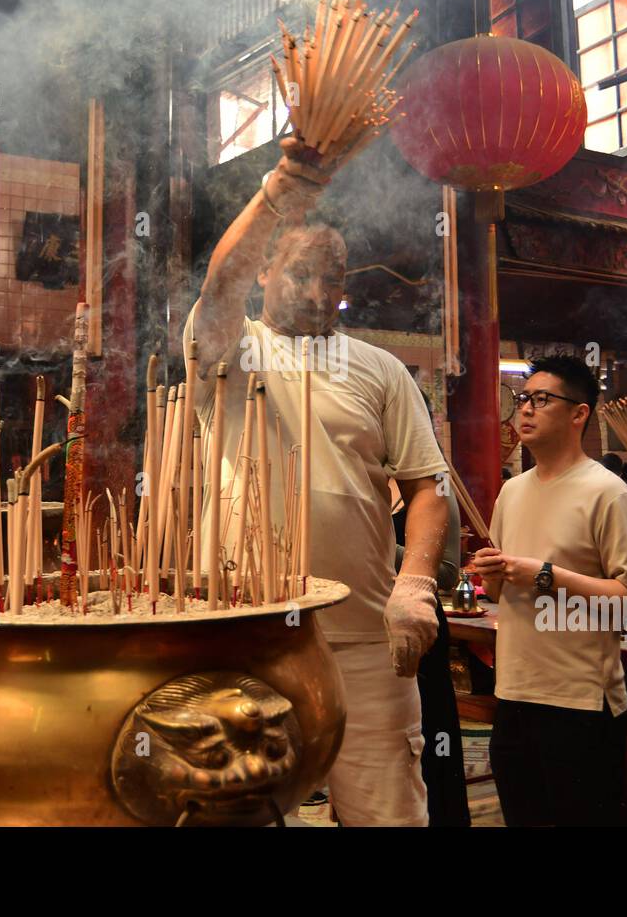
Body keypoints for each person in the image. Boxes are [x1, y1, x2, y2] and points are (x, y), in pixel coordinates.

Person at [187, 137, 450, 827]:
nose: (316, 291)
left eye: (332, 277)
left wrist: (415, 580)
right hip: (246, 632)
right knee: (241, 811)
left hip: (364, 640)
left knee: (387, 812)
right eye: (300, 272)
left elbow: (427, 486)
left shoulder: (380, 368)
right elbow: (218, 286)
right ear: (265, 271)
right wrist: (283, 190)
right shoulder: (235, 348)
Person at [472, 354, 627, 826]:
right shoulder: (511, 491)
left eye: (542, 399)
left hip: (580, 702)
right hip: (514, 692)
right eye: (522, 399)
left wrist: (547, 575)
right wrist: (492, 572)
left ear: (579, 413)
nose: (526, 410)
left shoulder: (608, 492)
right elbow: (497, 593)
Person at [392, 475, 470, 827]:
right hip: (368, 624)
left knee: (429, 740)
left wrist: (374, 543)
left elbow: (449, 571)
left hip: (419, 626)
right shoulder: (360, 478)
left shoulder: (433, 486)